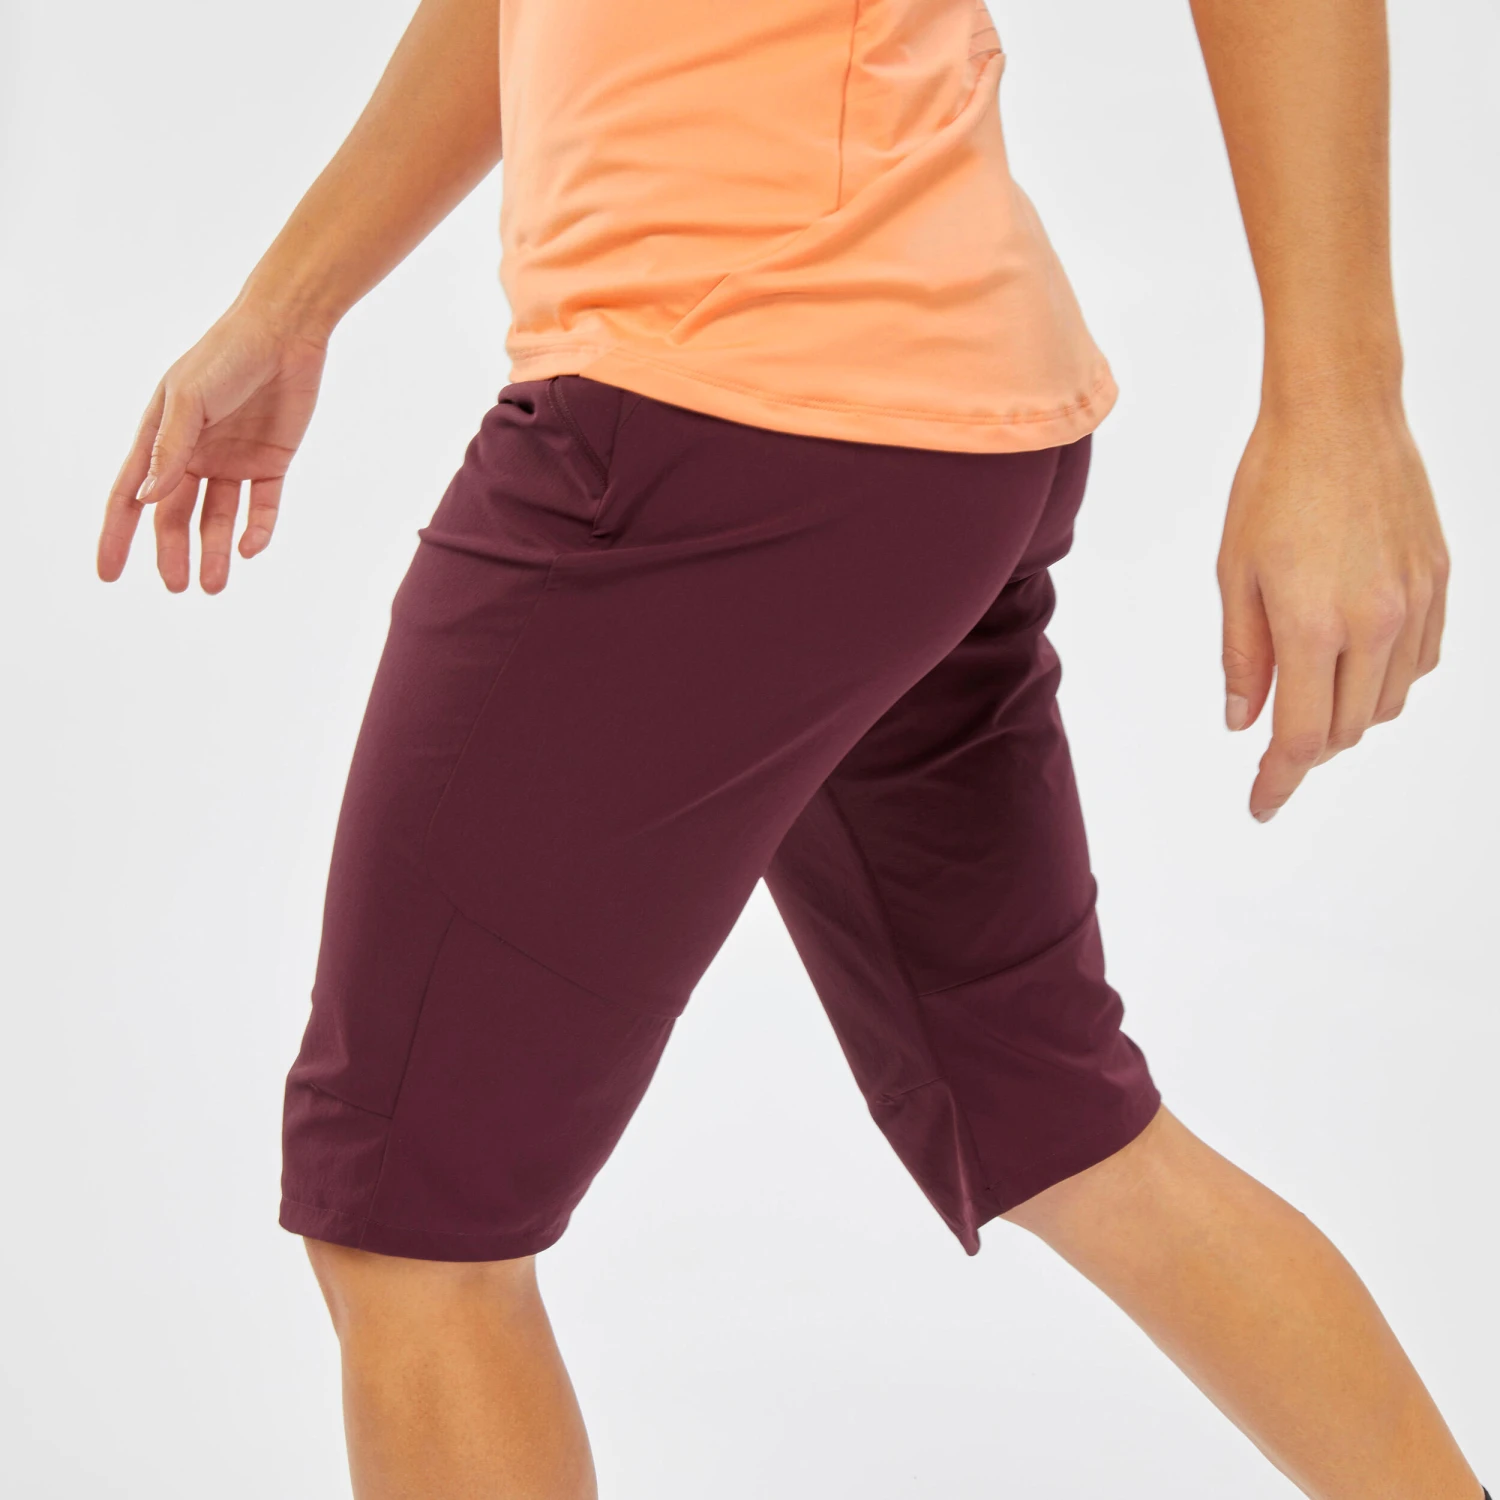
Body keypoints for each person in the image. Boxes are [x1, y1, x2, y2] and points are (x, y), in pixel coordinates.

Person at [97, 0, 1485, 1495]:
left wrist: (1343, 407)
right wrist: (291, 301)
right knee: (1060, 1120)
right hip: (925, 432)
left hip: (707, 419)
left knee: (410, 1225)